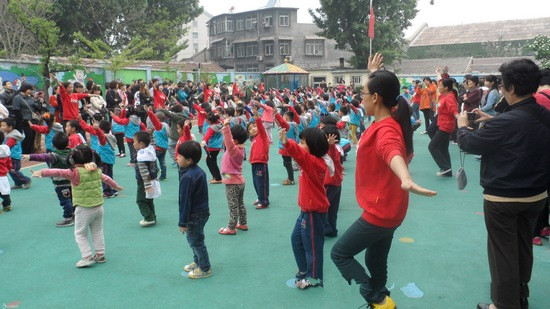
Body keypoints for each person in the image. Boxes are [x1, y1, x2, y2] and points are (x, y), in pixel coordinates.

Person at [331, 53, 436, 309]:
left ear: (376, 98)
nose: (361, 97)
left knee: (340, 253)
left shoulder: (386, 130)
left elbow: (392, 153)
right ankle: (381, 298)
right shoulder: (385, 120)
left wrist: (406, 177)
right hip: (392, 209)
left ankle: (376, 297)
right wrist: (373, 73)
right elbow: (392, 148)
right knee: (376, 260)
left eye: (364, 93)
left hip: (381, 212)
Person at [456, 59, 550, 309]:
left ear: (507, 88)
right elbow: (519, 129)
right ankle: (520, 294)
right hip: (536, 196)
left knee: (502, 254)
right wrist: (491, 119)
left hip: (504, 199)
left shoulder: (506, 121)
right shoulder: (543, 114)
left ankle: (503, 304)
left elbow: (468, 143)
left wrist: (463, 127)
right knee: (522, 247)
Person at [31, 145, 123, 268]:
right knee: (97, 231)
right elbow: (107, 178)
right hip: (99, 207)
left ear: (73, 160)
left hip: (84, 208)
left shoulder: (75, 173)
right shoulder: (96, 170)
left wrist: (41, 172)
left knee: (80, 233)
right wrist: (115, 186)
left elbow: (58, 171)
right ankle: (100, 254)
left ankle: (87, 257)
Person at [279, 126, 331, 290]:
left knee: (313, 248)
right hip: (306, 211)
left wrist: (289, 143)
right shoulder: (313, 161)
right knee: (296, 240)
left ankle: (314, 278)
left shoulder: (314, 163)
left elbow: (301, 156)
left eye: (303, 142)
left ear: (313, 147)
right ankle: (304, 270)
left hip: (313, 213)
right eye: (299, 142)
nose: (300, 145)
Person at [22, 132, 74, 226]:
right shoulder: (72, 152)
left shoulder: (54, 155)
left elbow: (42, 156)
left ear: (53, 145)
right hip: (72, 180)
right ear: (68, 143)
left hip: (60, 183)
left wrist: (30, 156)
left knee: (65, 201)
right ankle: (75, 214)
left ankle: (68, 218)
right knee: (72, 199)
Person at [178, 141, 212, 279]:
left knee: (195, 241)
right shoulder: (199, 172)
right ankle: (198, 261)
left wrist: (183, 222)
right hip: (202, 211)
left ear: (189, 160)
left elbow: (185, 201)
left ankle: (205, 268)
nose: (177, 158)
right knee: (196, 237)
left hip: (194, 214)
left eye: (180, 156)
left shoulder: (188, 177)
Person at [218, 117, 249, 235]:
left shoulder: (234, 150)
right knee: (240, 204)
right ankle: (243, 223)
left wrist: (226, 128)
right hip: (239, 181)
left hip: (232, 182)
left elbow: (228, 142)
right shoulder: (241, 149)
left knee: (233, 206)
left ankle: (231, 228)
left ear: (235, 140)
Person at [428, 79, 459, 177]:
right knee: (444, 148)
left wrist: (459, 118)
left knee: (432, 146)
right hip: (442, 124)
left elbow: (454, 110)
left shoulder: (449, 97)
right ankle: (448, 171)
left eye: (440, 86)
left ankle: (445, 167)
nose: (438, 87)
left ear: (446, 87)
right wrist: (437, 73)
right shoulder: (443, 95)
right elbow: (441, 80)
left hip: (446, 126)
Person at [133, 131, 160, 226]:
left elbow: (144, 172)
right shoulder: (150, 149)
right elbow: (152, 142)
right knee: (149, 199)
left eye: (134, 142)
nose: (133, 144)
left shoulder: (142, 155)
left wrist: (147, 185)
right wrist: (151, 135)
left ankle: (148, 217)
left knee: (140, 200)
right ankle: (153, 216)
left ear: (141, 144)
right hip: (153, 179)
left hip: (144, 182)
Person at [321, 124, 343, 237]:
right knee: (332, 210)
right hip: (336, 184)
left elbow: (332, 156)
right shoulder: (337, 149)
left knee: (323, 208)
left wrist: (330, 146)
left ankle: (325, 229)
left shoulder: (332, 150)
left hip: (329, 185)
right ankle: (332, 230)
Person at [247, 106, 270, 209]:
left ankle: (264, 201)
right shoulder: (254, 140)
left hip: (261, 163)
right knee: (256, 182)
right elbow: (253, 150)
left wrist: (256, 116)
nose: (253, 129)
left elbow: (260, 126)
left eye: (254, 127)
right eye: (250, 129)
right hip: (254, 163)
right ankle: (260, 197)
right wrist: (250, 158)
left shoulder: (262, 136)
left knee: (261, 183)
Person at [1, 118, 31, 190]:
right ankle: (18, 183)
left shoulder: (11, 137)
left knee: (14, 171)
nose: (1, 127)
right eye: (1, 125)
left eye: (3, 126)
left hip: (14, 158)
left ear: (10, 127)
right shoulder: (9, 134)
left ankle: (26, 180)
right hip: (12, 157)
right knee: (11, 172)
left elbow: (7, 147)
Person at [11, 82, 38, 154]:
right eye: (30, 90)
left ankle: (31, 152)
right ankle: (24, 152)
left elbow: (35, 107)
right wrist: (23, 120)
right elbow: (16, 111)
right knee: (27, 137)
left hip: (33, 120)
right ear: (25, 89)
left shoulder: (31, 98)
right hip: (25, 121)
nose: (32, 91)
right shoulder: (17, 98)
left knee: (32, 136)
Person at [200, 112, 223, 184]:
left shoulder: (212, 128)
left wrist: (204, 141)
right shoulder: (220, 124)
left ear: (210, 121)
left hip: (212, 147)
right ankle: (215, 177)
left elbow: (207, 135)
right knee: (211, 161)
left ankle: (218, 178)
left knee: (211, 163)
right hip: (217, 146)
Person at [0, 132, 12, 212]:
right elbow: (8, 162)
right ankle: (7, 204)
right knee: (5, 191)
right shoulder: (5, 150)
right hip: (3, 175)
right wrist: (9, 168)